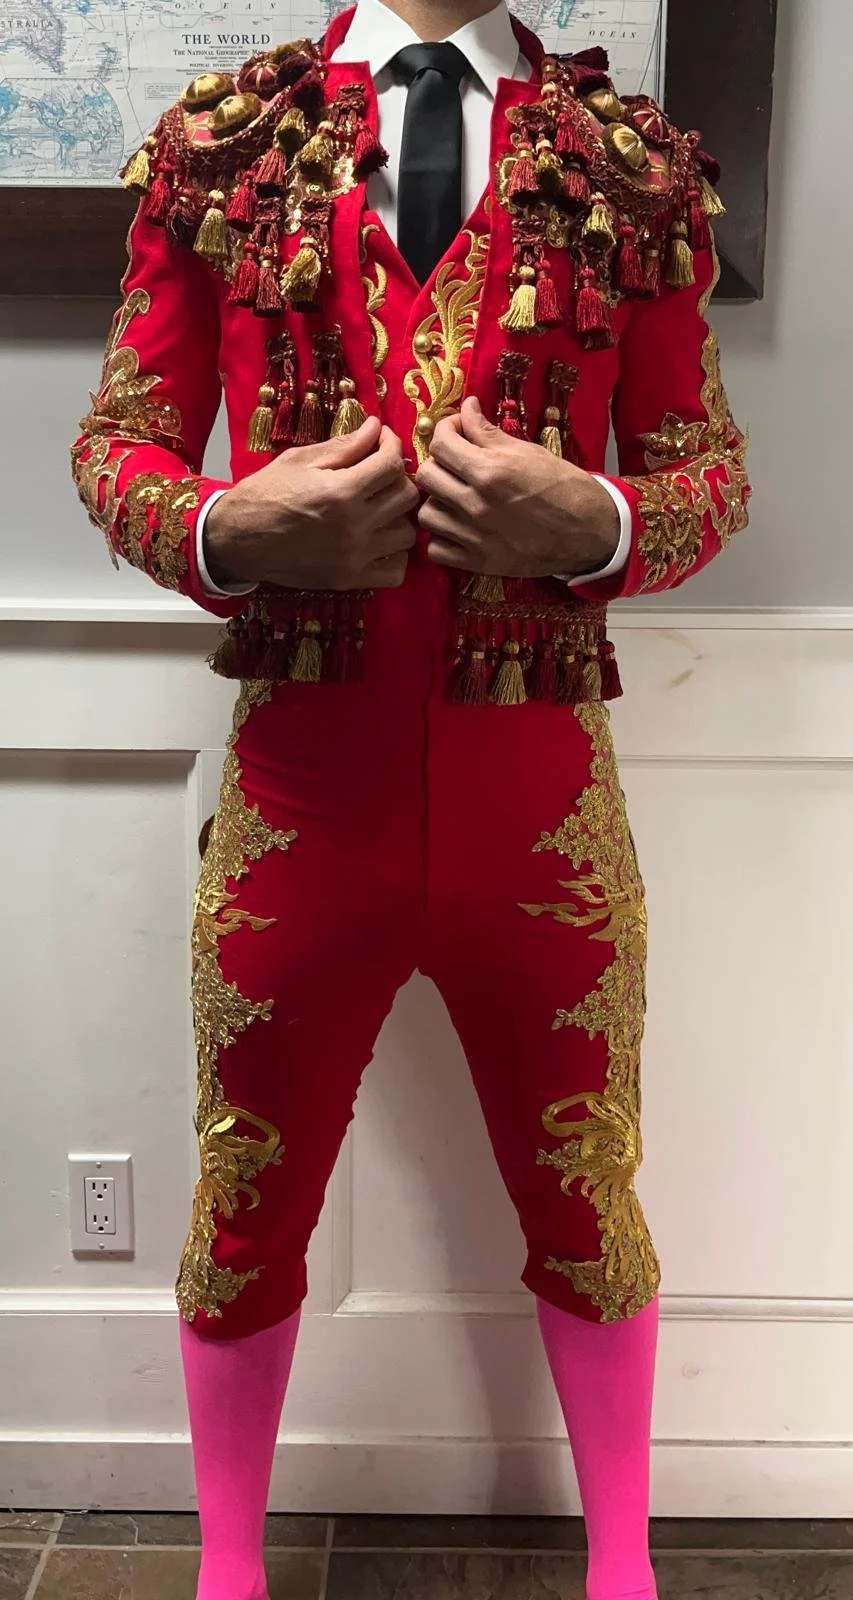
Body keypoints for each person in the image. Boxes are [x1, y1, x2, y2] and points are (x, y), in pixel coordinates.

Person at [71, 2, 750, 1596]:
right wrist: (232, 528)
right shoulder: (213, 151)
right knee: (246, 1198)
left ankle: (625, 1571)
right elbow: (118, 444)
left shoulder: (631, 168)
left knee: (590, 1195)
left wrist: (595, 521)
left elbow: (708, 468)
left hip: (541, 806)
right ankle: (227, 1574)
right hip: (303, 802)